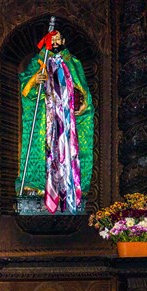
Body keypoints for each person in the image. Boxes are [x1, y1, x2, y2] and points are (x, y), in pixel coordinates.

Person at [16, 30, 94, 214]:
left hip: (67, 123)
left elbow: (84, 93)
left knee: (67, 151)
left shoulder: (74, 63)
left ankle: (68, 189)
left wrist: (76, 99)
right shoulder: (38, 61)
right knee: (42, 150)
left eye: (59, 39)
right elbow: (25, 86)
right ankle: (37, 189)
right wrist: (35, 80)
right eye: (53, 40)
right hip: (45, 119)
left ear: (64, 40)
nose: (56, 42)